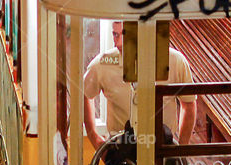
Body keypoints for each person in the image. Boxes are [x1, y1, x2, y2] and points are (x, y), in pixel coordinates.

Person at [83, 21, 197, 151]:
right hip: (120, 147)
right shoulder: (103, 64)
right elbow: (85, 93)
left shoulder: (175, 60)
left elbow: (188, 104)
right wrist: (94, 136)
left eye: (126, 35)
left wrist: (180, 152)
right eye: (115, 34)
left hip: (162, 145)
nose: (118, 42)